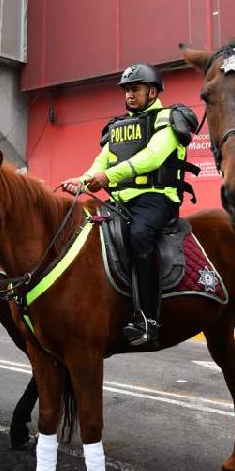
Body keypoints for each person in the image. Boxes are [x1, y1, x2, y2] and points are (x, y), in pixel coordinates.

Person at [59, 63, 199, 348]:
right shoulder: (118, 126)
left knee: (139, 236)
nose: (129, 95)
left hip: (156, 199)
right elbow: (101, 161)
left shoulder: (167, 119)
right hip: (121, 201)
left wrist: (107, 177)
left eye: (134, 89)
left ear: (152, 91)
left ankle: (148, 318)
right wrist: (84, 181)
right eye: (126, 90)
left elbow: (152, 157)